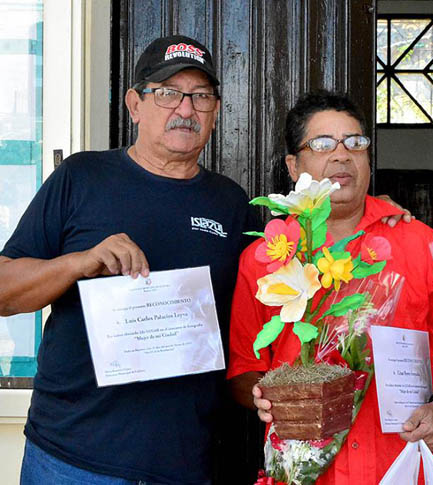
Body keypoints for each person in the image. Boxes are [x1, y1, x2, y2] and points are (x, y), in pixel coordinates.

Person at [0, 35, 262, 484]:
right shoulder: (81, 177)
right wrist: (79, 263)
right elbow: (4, 293)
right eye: (167, 93)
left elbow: (255, 317)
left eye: (201, 97)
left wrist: (377, 219)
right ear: (134, 104)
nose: (185, 109)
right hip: (71, 457)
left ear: (215, 112)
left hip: (183, 461)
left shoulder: (232, 204)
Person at [227, 90, 433, 484]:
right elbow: (242, 370)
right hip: (307, 469)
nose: (342, 155)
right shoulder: (265, 257)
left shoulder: (418, 243)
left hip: (404, 462)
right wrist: (263, 396)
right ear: (292, 164)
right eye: (322, 144)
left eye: (355, 142)